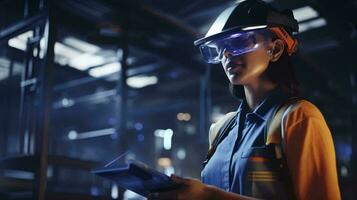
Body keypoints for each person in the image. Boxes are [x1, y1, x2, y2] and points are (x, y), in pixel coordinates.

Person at [148, 0, 341, 199]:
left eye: (239, 41)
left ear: (275, 50)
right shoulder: (220, 130)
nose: (226, 53)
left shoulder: (299, 118)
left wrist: (208, 196)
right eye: (221, 47)